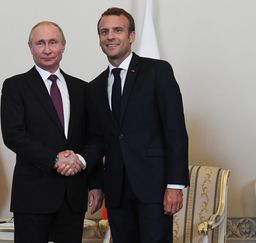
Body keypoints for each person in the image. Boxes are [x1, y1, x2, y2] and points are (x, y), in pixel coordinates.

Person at [82, 7, 190, 243]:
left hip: (154, 187)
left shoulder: (157, 71)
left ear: (131, 36)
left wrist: (174, 184)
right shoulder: (94, 87)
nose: (110, 36)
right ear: (99, 39)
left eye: (117, 30)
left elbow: (175, 131)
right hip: (116, 191)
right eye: (104, 32)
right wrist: (96, 184)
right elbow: (96, 140)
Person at [0, 21, 102, 243]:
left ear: (63, 45)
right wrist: (55, 159)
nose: (47, 49)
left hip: (73, 195)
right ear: (30, 47)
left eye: (53, 42)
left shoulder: (83, 89)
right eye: (40, 43)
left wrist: (94, 182)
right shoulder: (15, 86)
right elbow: (13, 135)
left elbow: (94, 137)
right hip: (33, 195)